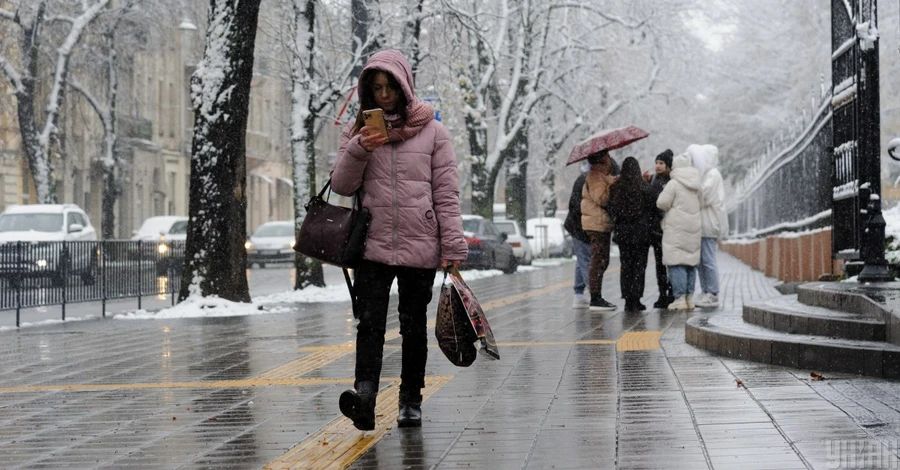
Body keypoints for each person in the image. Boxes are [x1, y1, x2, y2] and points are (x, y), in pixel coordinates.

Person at [330, 50, 468, 431]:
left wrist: (453, 247)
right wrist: (360, 147)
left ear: (405, 87)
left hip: (420, 244)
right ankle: (365, 398)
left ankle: (411, 400)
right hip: (371, 246)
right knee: (369, 324)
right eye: (377, 88)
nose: (385, 95)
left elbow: (446, 193)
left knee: (412, 326)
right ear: (368, 91)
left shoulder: (434, 132)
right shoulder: (358, 129)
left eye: (391, 87)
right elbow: (342, 185)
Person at [608, 157, 656, 311]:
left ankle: (628, 299)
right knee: (639, 266)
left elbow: (612, 208)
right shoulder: (644, 187)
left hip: (623, 234)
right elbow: (652, 207)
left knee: (626, 265)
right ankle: (637, 298)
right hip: (641, 234)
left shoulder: (617, 188)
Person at [656, 152, 702, 310]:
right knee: (690, 262)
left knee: (676, 263)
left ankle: (679, 298)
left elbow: (662, 203)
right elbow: (701, 203)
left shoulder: (674, 184)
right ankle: (690, 297)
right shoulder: (696, 184)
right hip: (693, 227)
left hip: (676, 228)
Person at [687, 144, 728, 308]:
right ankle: (706, 291)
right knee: (701, 261)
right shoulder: (707, 174)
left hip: (709, 224)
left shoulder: (712, 175)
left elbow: (702, 196)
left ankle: (713, 292)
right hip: (703, 224)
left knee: (708, 260)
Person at [581, 150, 617, 311]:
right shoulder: (595, 175)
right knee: (598, 260)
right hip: (596, 224)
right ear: (602, 159)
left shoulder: (601, 175)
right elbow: (601, 198)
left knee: (602, 260)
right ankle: (595, 298)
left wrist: (611, 180)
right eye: (608, 156)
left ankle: (597, 296)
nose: (610, 159)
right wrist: (612, 184)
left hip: (600, 223)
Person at [649, 150, 674, 308]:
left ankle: (672, 292)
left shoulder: (673, 181)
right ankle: (661, 294)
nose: (658, 166)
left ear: (668, 166)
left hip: (671, 227)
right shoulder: (652, 180)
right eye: (657, 163)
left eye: (661, 163)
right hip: (656, 229)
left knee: (671, 261)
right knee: (659, 263)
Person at [563, 166, 590, 309]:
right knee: (586, 260)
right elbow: (577, 205)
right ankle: (595, 294)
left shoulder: (584, 178)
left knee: (582, 260)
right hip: (580, 226)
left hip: (578, 225)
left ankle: (579, 295)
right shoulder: (587, 180)